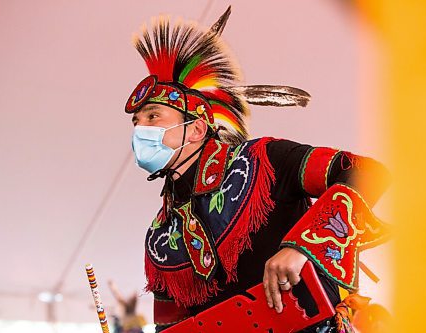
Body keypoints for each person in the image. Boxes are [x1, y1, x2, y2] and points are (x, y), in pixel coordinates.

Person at [124, 7, 390, 333]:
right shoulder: (159, 238)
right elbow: (171, 326)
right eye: (136, 122)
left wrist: (302, 246)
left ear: (195, 129)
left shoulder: (265, 160)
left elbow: (364, 172)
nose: (140, 130)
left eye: (152, 117)